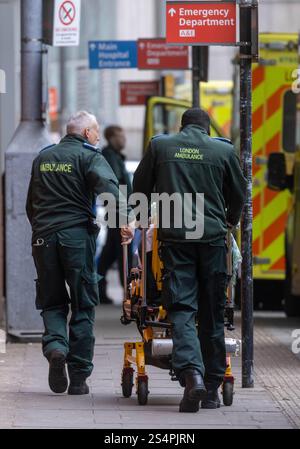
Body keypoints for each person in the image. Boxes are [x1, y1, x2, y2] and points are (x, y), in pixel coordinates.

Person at [132, 108, 246, 412]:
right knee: (212, 312)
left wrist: (142, 221)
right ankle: (211, 390)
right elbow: (238, 195)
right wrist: (228, 221)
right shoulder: (223, 150)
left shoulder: (161, 146)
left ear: (181, 126)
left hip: (175, 240)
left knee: (182, 308)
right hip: (211, 241)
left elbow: (140, 187)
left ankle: (192, 374)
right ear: (207, 129)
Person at [26, 111, 134, 395]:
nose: (98, 136)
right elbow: (111, 189)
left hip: (44, 238)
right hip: (76, 238)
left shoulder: (44, 157)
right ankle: (78, 377)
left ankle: (56, 348)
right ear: (86, 133)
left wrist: (41, 231)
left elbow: (31, 205)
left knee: (52, 302)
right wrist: (126, 221)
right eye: (96, 131)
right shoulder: (89, 156)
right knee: (83, 304)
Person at [98, 126, 133, 304]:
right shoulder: (110, 156)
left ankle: (98, 289)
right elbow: (117, 186)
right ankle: (127, 292)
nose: (124, 139)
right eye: (120, 136)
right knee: (122, 251)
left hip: (117, 211)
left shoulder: (113, 156)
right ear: (111, 138)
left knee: (111, 252)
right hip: (119, 212)